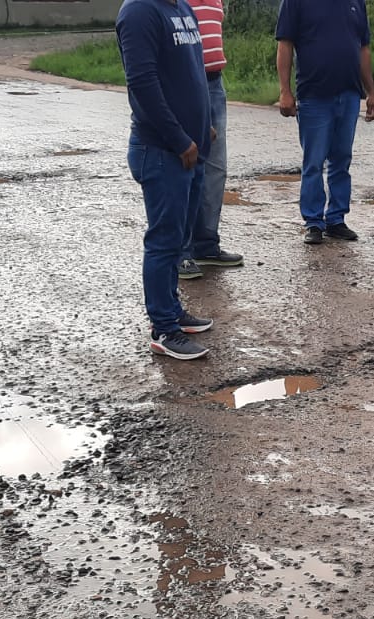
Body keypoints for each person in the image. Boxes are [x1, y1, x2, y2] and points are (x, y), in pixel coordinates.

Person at [117, 0, 216, 360]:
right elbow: (142, 84)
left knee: (178, 238)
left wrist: (204, 125)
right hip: (162, 151)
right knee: (163, 241)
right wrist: (178, 138)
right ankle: (163, 328)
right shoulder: (140, 11)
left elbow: (192, 74)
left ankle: (173, 310)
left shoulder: (182, 8)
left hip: (191, 147)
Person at [276, 0, 374, 245]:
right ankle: (313, 221)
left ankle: (336, 219)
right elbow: (285, 44)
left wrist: (371, 92)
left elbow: (363, 48)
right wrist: (285, 91)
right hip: (314, 94)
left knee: (342, 160)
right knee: (314, 162)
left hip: (349, 94)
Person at [178, 0, 246, 281]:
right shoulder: (178, 3)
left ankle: (206, 244)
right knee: (187, 167)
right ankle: (181, 252)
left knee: (215, 169)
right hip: (188, 83)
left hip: (215, 82)